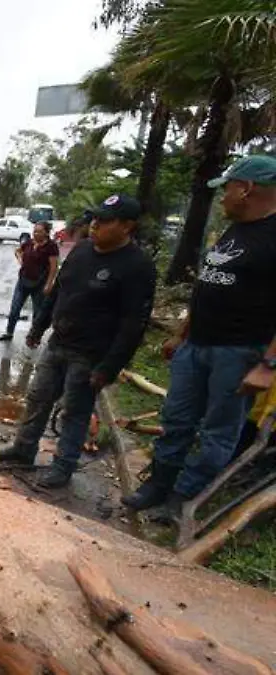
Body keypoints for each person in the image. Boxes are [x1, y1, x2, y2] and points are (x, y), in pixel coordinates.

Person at [122, 155, 276, 516]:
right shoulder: (235, 229)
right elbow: (208, 286)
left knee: (218, 432)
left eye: (227, 189)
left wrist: (268, 366)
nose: (222, 197)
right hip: (196, 346)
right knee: (176, 419)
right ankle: (158, 486)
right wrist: (181, 334)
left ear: (246, 189)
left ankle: (183, 498)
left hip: (238, 353)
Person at [0, 194, 157, 488]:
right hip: (58, 343)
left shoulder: (137, 267)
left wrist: (109, 367)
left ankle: (63, 466)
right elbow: (57, 292)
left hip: (90, 354)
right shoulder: (82, 250)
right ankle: (24, 449)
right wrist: (39, 326)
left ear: (127, 226)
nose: (94, 225)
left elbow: (134, 324)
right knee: (38, 398)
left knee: (75, 412)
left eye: (104, 221)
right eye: (94, 218)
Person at [0, 221, 59, 341]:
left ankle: (34, 335)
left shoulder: (51, 246)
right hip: (23, 281)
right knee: (15, 308)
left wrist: (49, 283)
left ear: (46, 233)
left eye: (39, 231)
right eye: (34, 231)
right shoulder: (29, 242)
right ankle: (9, 332)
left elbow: (53, 267)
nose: (36, 233)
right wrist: (21, 260)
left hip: (39, 284)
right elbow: (18, 251)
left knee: (37, 311)